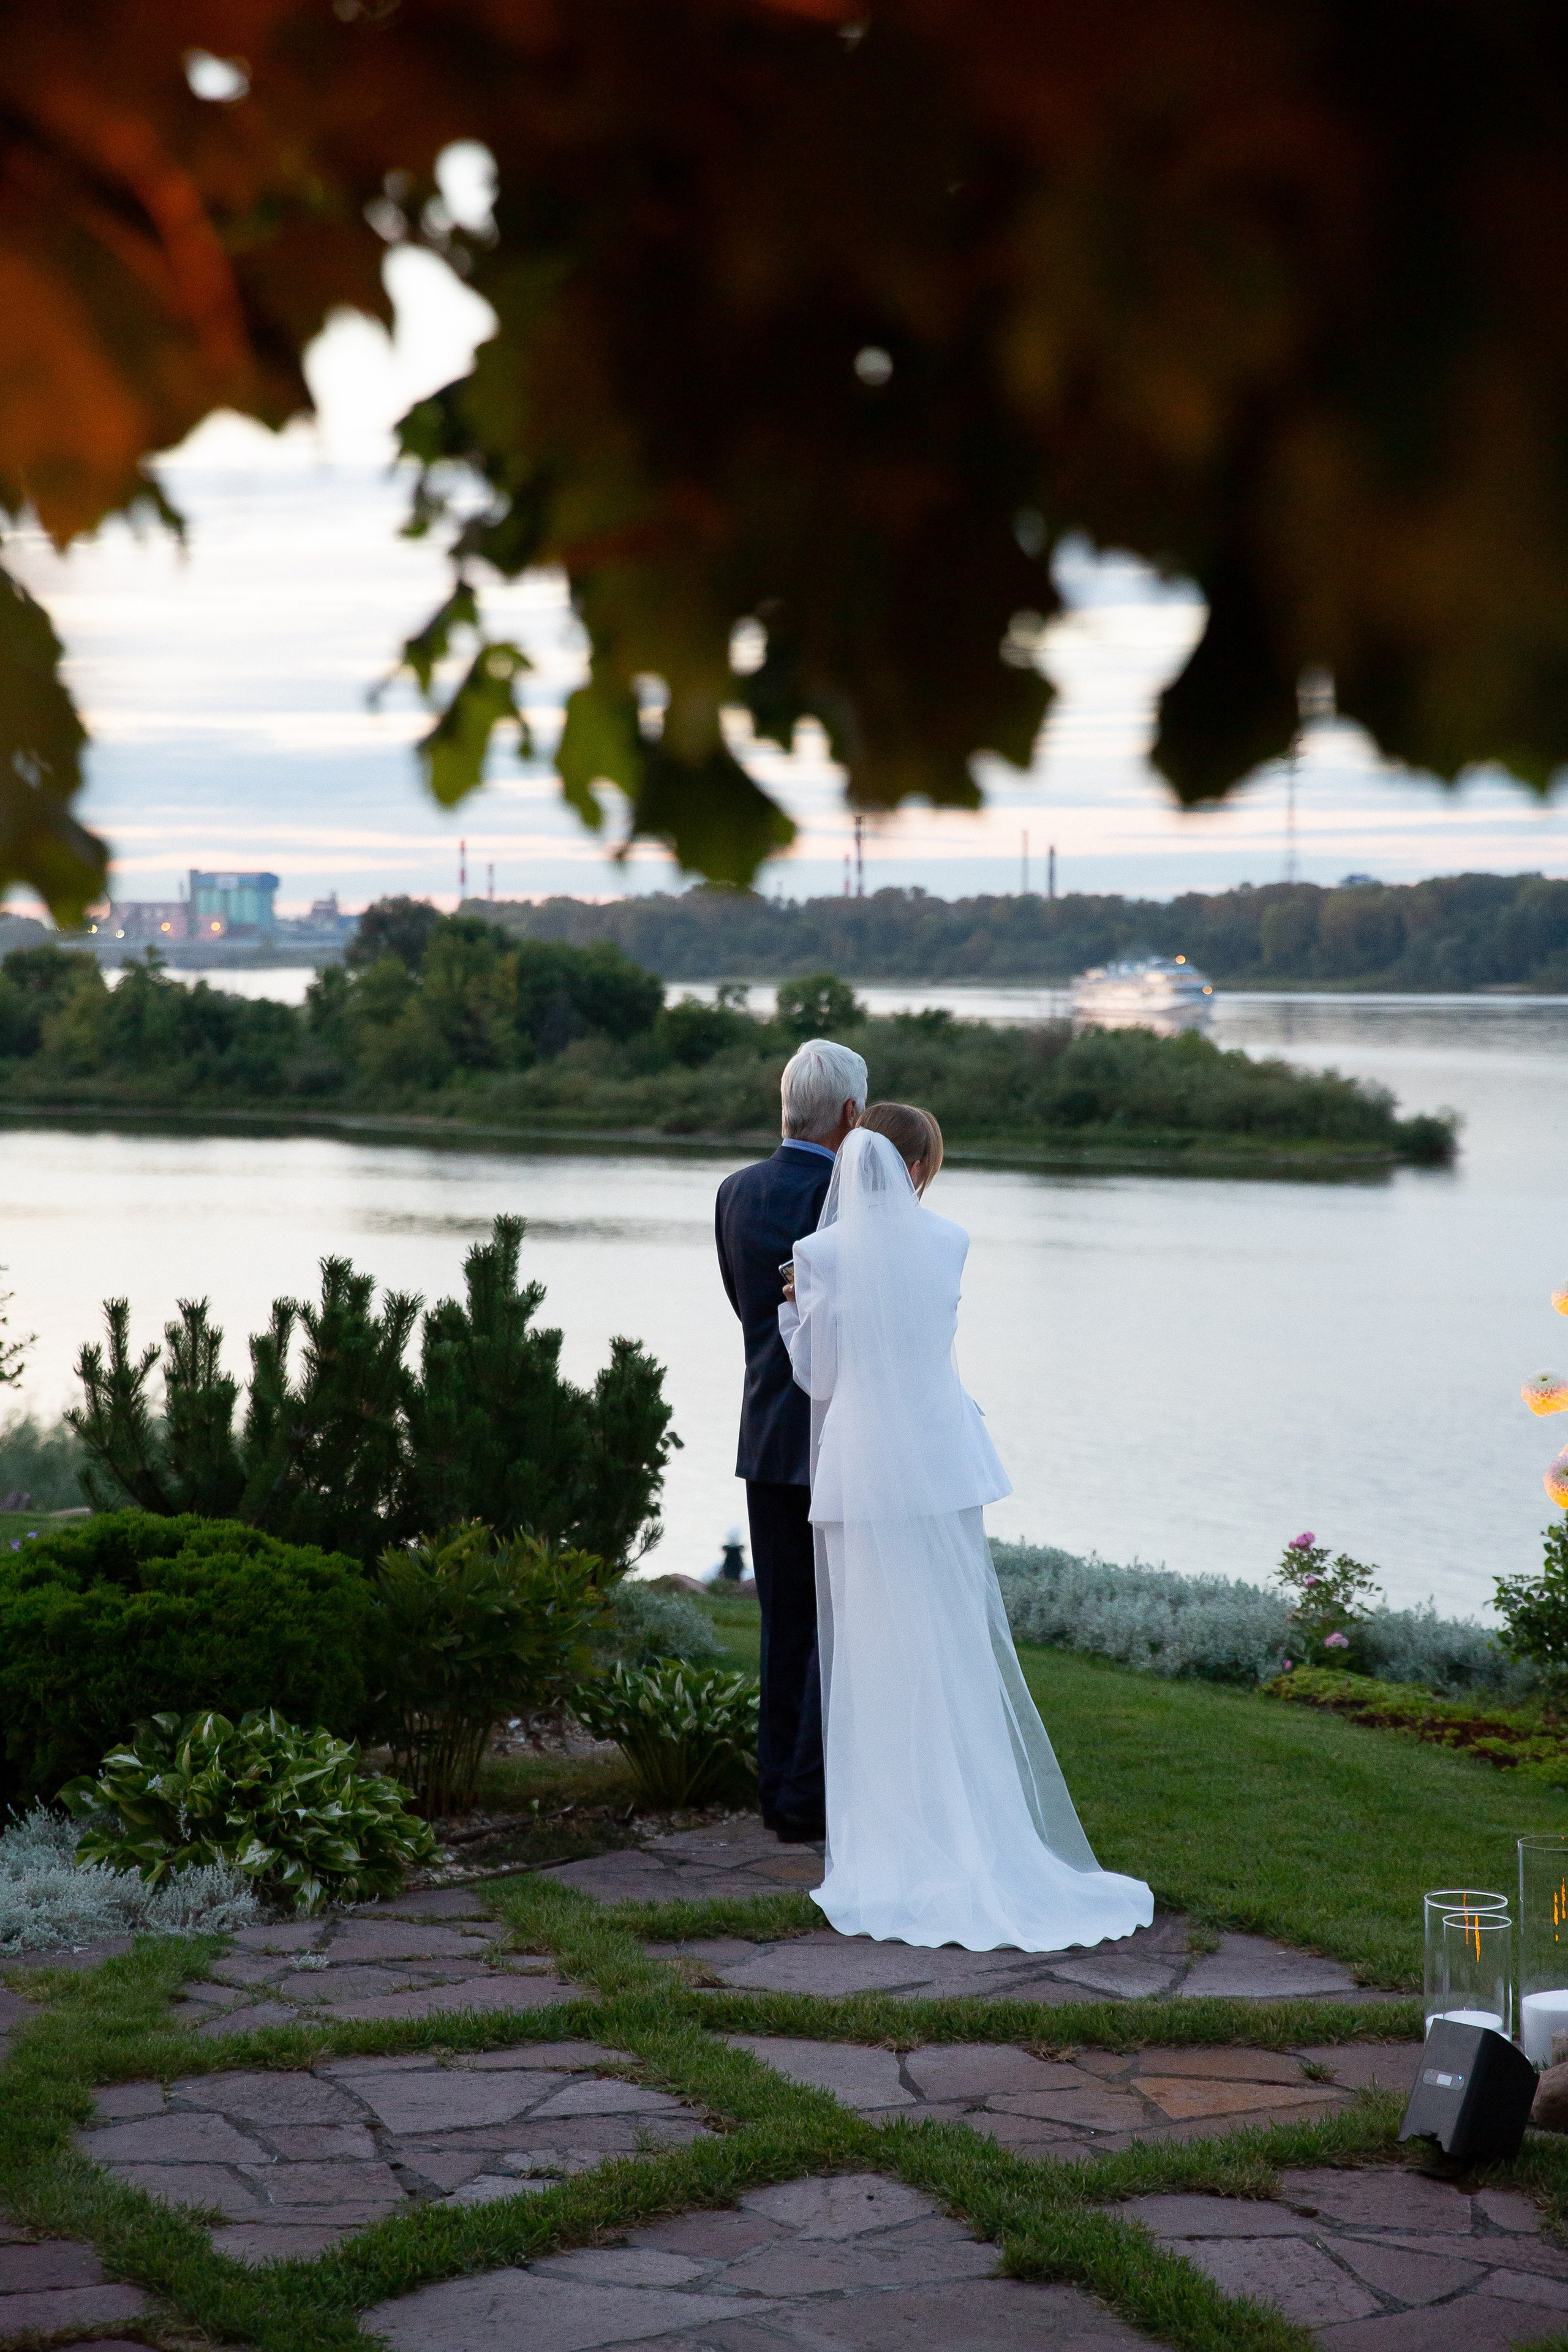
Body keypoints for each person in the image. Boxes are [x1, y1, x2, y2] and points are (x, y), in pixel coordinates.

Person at [779, 1103, 1153, 1951]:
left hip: (866, 1466)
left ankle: (900, 1837)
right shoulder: (950, 1240)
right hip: (943, 1460)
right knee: (949, 1643)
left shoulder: (819, 1254)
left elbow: (821, 1378)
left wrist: (793, 1311)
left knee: (877, 1651)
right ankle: (970, 1825)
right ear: (917, 1169)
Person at [714, 1035, 868, 1842]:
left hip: (766, 1430)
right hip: (838, 1435)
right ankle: (809, 1797)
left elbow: (749, 1310)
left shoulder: (735, 1192)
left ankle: (776, 1789)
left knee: (783, 1621)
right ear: (850, 1113)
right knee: (836, 1623)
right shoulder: (851, 1201)